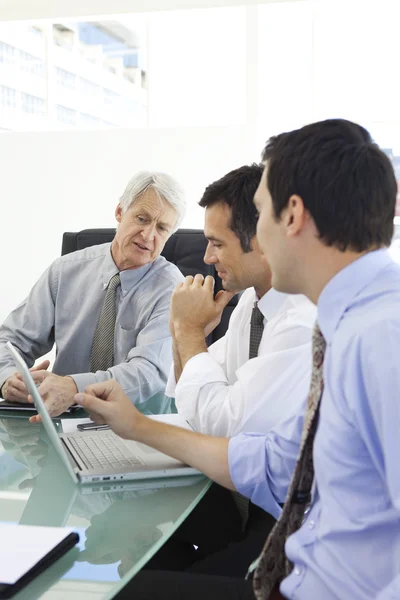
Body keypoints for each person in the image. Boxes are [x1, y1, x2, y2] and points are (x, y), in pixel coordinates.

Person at [75, 119, 400, 600]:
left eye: (262, 213)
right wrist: (136, 425)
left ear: (292, 217)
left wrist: (186, 333)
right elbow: (271, 463)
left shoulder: (382, 338)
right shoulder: (347, 322)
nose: (257, 238)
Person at [0, 171, 186, 420]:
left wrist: (74, 387)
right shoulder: (64, 271)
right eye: (142, 219)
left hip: (140, 427)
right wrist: (9, 378)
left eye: (162, 228)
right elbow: (10, 341)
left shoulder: (172, 288)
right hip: (62, 419)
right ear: (120, 212)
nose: (148, 235)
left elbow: (147, 372)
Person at [167, 164, 316, 438]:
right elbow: (191, 394)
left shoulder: (303, 323)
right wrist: (181, 330)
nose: (207, 258)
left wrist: (188, 330)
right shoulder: (251, 302)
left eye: (218, 244)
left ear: (261, 242)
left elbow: (229, 428)